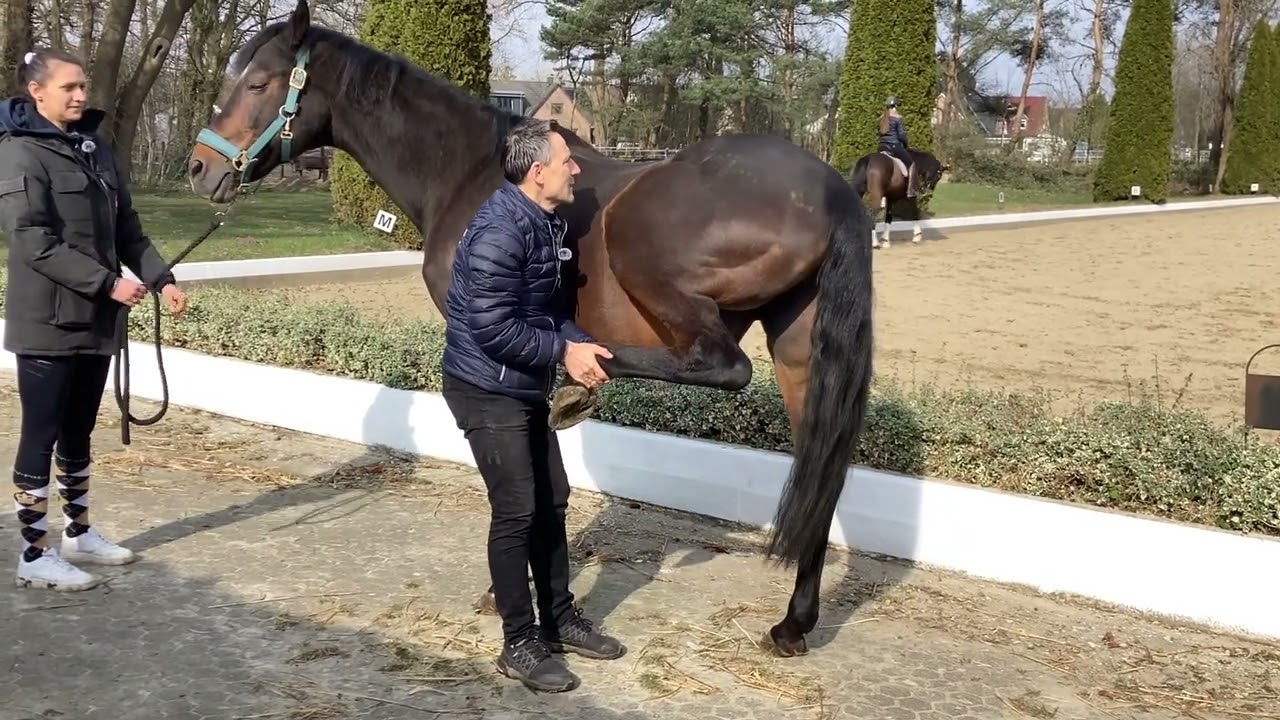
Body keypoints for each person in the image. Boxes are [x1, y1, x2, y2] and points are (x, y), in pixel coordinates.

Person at [440, 118, 623, 693]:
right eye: (567, 161)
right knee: (518, 510)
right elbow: (493, 329)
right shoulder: (500, 231)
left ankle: (560, 619)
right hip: (484, 387)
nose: (577, 169)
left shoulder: (545, 223)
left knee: (554, 500)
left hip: (520, 384)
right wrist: (562, 353)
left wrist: (578, 343)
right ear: (537, 172)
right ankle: (519, 643)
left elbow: (549, 310)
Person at [0, 47, 189, 592]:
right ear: (36, 92)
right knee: (41, 433)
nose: (81, 95)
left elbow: (126, 225)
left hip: (96, 321)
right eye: (69, 88)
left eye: (83, 86)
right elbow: (32, 241)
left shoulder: (94, 148)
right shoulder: (18, 155)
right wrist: (107, 283)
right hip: (47, 322)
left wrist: (160, 277)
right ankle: (34, 555)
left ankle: (78, 534)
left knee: (79, 430)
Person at [878, 96, 918, 197]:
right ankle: (910, 191)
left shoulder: (882, 117)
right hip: (894, 146)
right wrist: (905, 143)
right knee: (912, 164)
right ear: (895, 106)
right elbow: (901, 135)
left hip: (882, 147)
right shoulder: (898, 118)